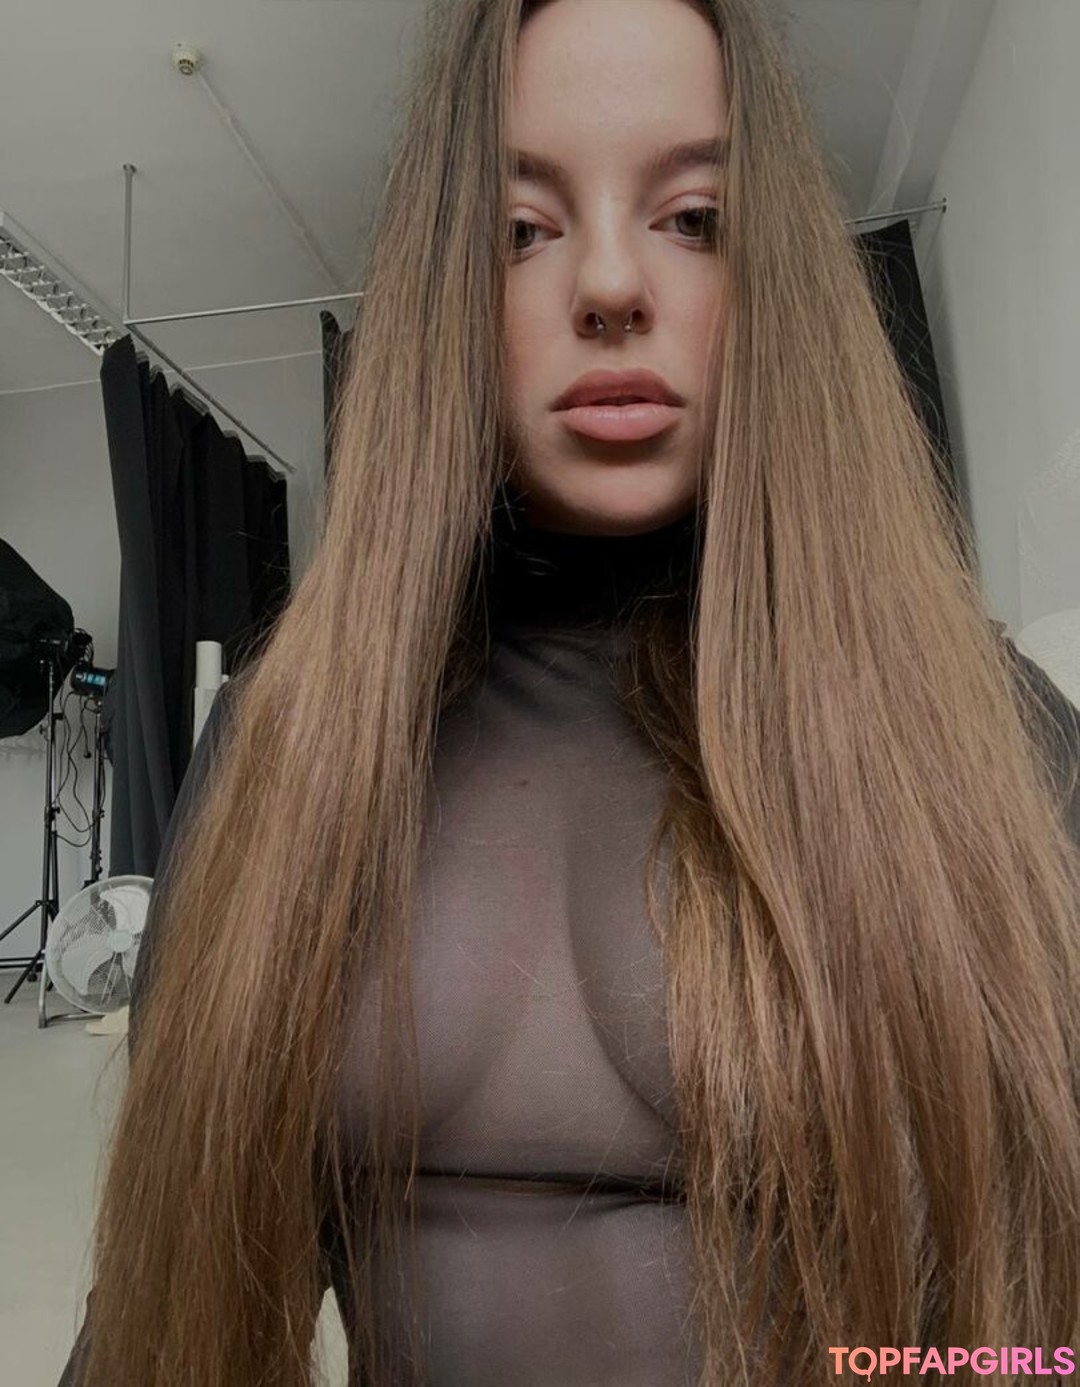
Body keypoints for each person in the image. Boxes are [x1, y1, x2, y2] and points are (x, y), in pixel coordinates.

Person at [59, 1, 1080, 1384]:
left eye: (694, 218)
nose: (608, 282)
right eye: (520, 230)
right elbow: (153, 1311)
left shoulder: (982, 739)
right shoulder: (285, 745)